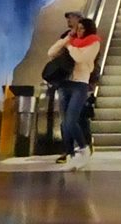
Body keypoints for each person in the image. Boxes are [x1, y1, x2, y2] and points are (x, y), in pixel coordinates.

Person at [45, 16, 101, 169]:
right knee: (64, 123)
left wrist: (70, 46)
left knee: (71, 120)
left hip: (80, 85)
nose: (79, 31)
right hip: (64, 84)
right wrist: (66, 40)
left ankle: (84, 148)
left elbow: (80, 57)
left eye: (82, 28)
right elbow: (51, 52)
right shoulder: (71, 40)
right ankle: (70, 154)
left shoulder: (93, 43)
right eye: (78, 28)